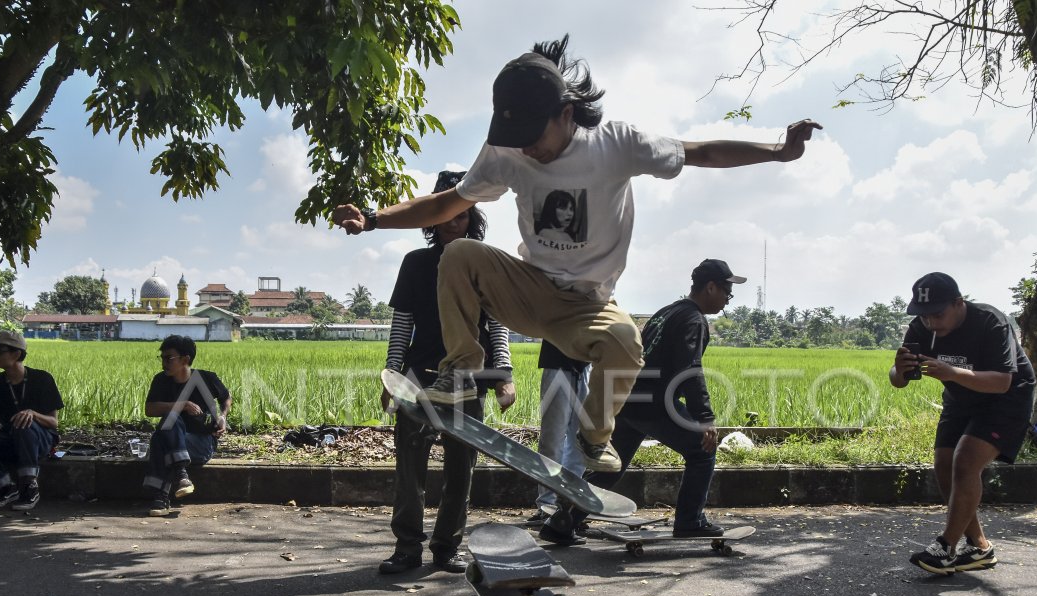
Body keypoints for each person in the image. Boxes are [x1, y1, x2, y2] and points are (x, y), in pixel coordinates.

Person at [334, 34, 819, 475]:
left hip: (587, 305)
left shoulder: (617, 145)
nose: (526, 149)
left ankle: (593, 440)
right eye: (516, 139)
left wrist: (779, 150)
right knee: (460, 252)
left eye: (534, 136)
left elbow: (701, 152)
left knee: (626, 342)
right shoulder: (505, 151)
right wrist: (374, 219)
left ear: (566, 113)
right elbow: (447, 203)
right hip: (528, 289)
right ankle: (461, 370)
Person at [539, 259, 738, 545]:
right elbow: (690, 370)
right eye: (726, 293)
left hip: (630, 399)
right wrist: (704, 418)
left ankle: (562, 521)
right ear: (710, 287)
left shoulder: (665, 313)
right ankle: (690, 521)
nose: (727, 301)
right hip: (657, 403)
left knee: (612, 466)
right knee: (702, 451)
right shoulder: (693, 319)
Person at [380, 170, 517, 574]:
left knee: (462, 466)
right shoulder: (416, 263)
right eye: (446, 213)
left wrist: (503, 374)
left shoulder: (484, 262)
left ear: (472, 216)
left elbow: (496, 324)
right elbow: (402, 322)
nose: (452, 222)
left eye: (461, 214)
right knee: (410, 464)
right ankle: (407, 546)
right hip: (419, 376)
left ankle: (446, 547)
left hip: (467, 378)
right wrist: (391, 373)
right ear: (433, 215)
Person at [890, 272, 1036, 575]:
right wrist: (899, 371)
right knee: (944, 464)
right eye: (924, 314)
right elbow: (898, 381)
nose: (930, 321)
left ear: (959, 303)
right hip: (960, 400)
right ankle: (980, 547)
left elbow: (1002, 382)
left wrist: (953, 373)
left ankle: (946, 547)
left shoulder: (991, 322)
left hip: (1005, 398)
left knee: (966, 461)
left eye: (938, 313)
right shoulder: (921, 327)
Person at [0, 331, 62, 511]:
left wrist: (33, 414)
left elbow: (53, 423)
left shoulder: (42, 379)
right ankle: (5, 487)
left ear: (16, 354)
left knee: (24, 425)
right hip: (10, 438)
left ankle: (29, 487)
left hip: (38, 440)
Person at [143, 335, 232, 517]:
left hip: (202, 443)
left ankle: (161, 496)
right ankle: (181, 474)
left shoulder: (206, 378)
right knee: (167, 425)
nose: (164, 363)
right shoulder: (160, 380)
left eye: (169, 358)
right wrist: (181, 404)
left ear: (185, 359)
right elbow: (150, 409)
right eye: (162, 358)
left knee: (160, 438)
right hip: (177, 443)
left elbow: (226, 398)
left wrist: (223, 417)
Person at [531, 340, 590, 521]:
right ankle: (547, 505)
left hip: (588, 366)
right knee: (552, 439)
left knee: (581, 441)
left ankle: (569, 504)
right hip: (557, 363)